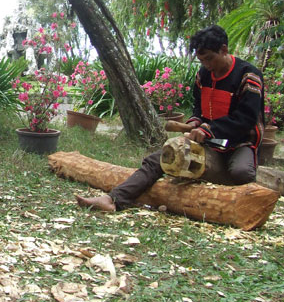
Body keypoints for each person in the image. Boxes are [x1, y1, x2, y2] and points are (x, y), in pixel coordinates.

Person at [76, 25, 264, 212]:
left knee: (241, 172)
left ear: (224, 49)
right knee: (160, 158)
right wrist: (195, 122)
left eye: (209, 59)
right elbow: (199, 109)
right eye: (201, 60)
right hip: (211, 143)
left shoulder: (248, 76)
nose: (206, 65)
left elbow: (245, 119)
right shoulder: (203, 75)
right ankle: (113, 199)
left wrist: (208, 129)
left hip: (239, 143)